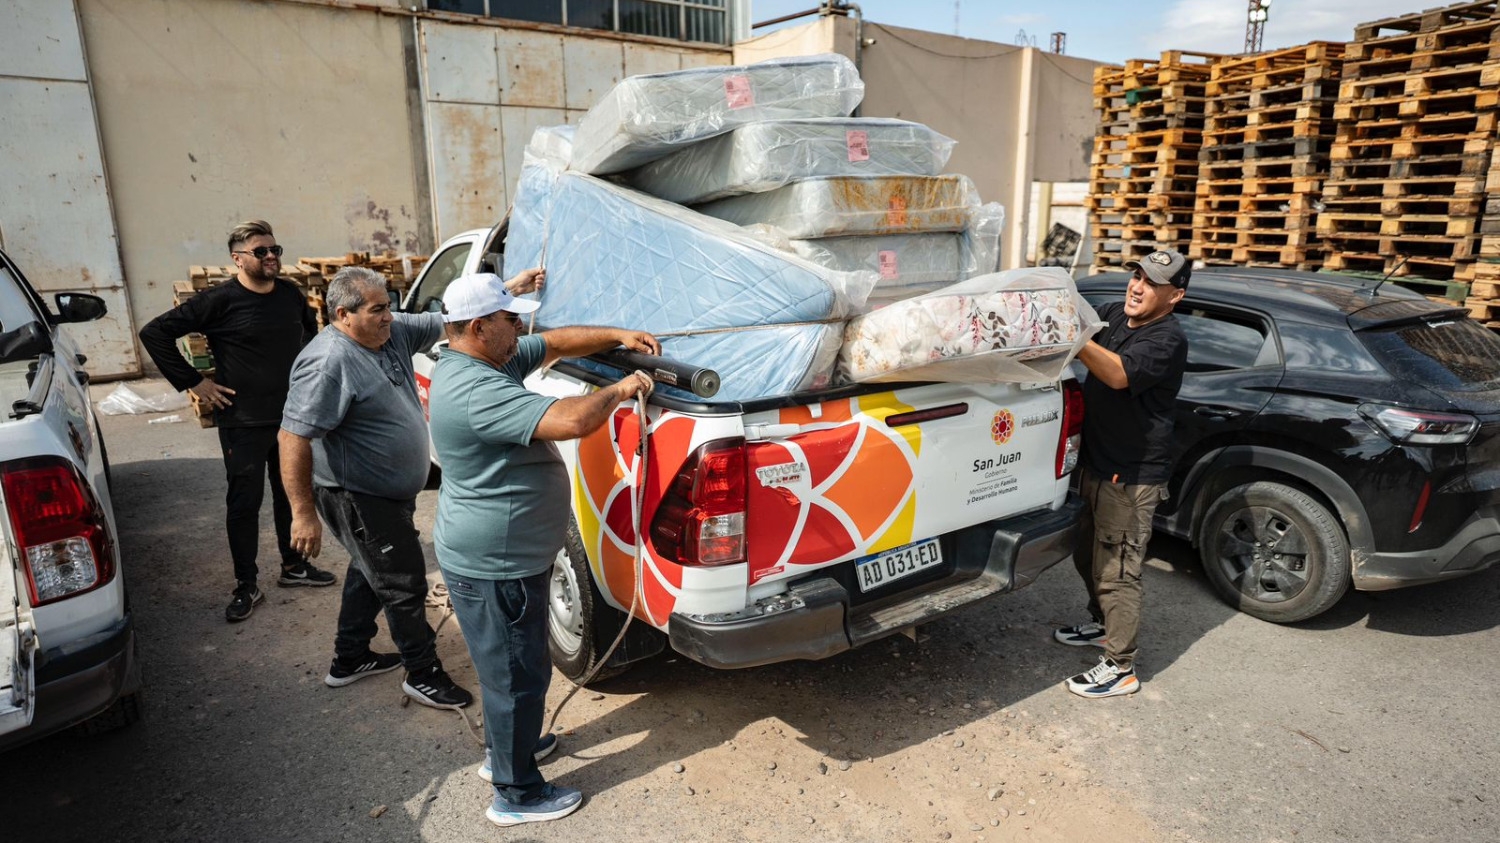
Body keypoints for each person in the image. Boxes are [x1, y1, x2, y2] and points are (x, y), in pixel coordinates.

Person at [427, 271, 658, 828]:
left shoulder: (479, 358)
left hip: (504, 556)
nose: (522, 326)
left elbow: (553, 343)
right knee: (515, 675)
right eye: (511, 319)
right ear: (480, 327)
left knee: (516, 670)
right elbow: (574, 420)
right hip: (495, 564)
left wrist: (618, 335)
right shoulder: (476, 390)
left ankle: (512, 747)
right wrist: (623, 389)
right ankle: (515, 792)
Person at [278, 266, 473, 709]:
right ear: (343, 314)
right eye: (378, 309)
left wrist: (511, 289)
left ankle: (350, 658)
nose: (390, 316)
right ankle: (422, 674)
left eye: (390, 306)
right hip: (356, 496)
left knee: (370, 569)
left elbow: (446, 322)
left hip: (388, 493)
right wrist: (302, 512)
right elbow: (292, 436)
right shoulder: (328, 361)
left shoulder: (390, 332)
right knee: (403, 584)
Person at [138, 219, 336, 623]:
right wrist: (195, 382)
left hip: (291, 418)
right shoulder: (219, 301)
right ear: (237, 259)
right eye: (260, 252)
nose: (270, 258)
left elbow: (310, 335)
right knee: (245, 504)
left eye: (275, 250)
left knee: (290, 494)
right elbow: (154, 332)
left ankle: (295, 567)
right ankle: (247, 584)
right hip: (242, 421)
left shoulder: (289, 295)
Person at [1054, 248, 1190, 699]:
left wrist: (1076, 336)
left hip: (1132, 477)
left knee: (1117, 570)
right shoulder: (1115, 314)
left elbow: (1115, 374)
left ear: (1175, 296)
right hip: (1098, 464)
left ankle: (1120, 666)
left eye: (1152, 282)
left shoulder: (1167, 339)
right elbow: (1079, 313)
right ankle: (1100, 624)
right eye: (1137, 274)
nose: (1137, 286)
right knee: (1086, 554)